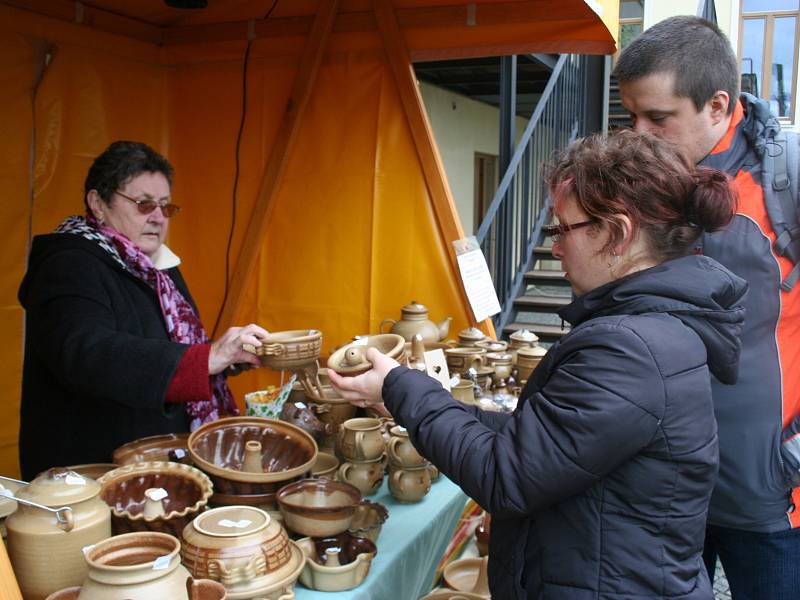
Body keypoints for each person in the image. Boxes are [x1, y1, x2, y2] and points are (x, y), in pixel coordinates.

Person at [330, 130, 746, 600]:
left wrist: (402, 388)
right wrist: (401, 400)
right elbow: (537, 444)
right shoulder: (649, 329)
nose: (554, 247)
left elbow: (506, 474)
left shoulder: (631, 348)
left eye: (560, 228)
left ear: (616, 233)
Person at [615, 16, 800, 598]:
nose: (637, 134)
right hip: (665, 491)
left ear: (718, 105)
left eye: (658, 118)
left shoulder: (783, 179)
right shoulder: (645, 183)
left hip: (770, 496)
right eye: (631, 116)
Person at [18, 140, 267, 480]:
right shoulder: (68, 265)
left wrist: (225, 360)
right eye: (143, 203)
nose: (157, 217)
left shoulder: (159, 266)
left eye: (165, 207)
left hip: (155, 465)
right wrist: (203, 359)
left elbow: (169, 345)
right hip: (86, 476)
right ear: (98, 203)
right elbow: (85, 352)